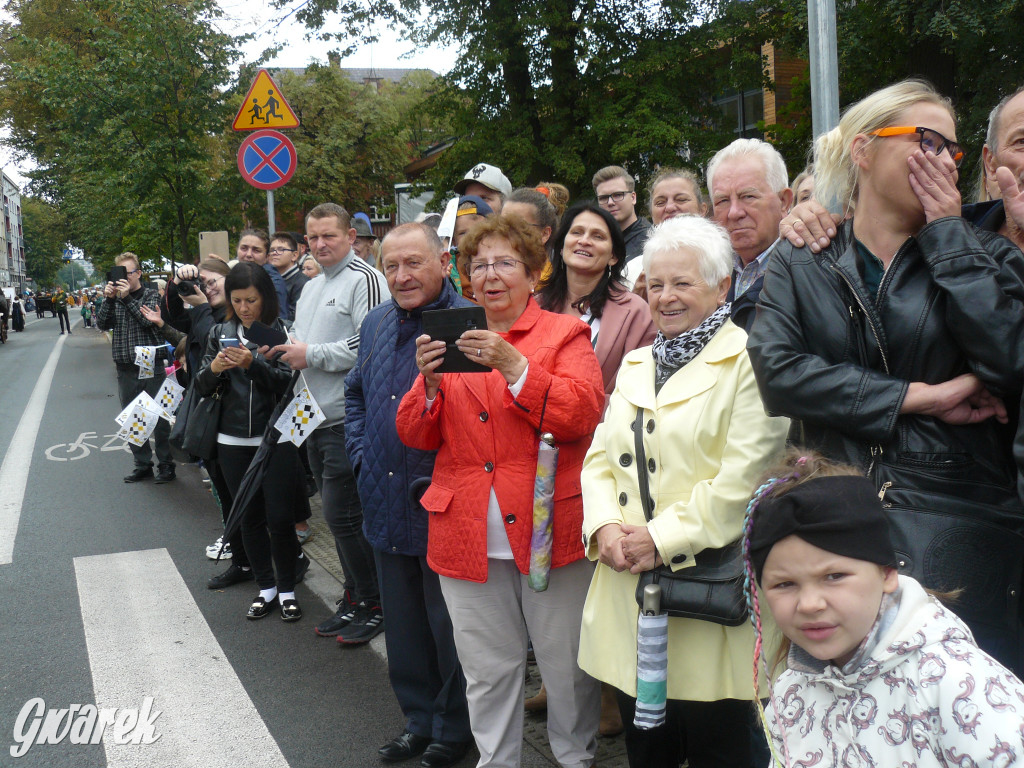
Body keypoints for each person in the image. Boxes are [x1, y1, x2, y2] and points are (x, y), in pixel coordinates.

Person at [747, 80, 1024, 673]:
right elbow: (778, 374)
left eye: (952, 147)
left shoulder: (986, 255)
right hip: (830, 514)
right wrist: (917, 397)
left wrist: (947, 234)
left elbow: (1007, 361)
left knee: (958, 718)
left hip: (952, 521)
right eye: (925, 140)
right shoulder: (804, 253)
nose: (943, 159)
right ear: (864, 150)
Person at [578, 215, 788, 768]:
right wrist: (601, 525)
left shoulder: (753, 361)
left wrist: (658, 537)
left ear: (723, 287)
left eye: (682, 283)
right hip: (630, 593)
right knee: (647, 751)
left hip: (709, 596)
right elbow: (601, 454)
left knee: (723, 750)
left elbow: (746, 480)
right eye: (655, 283)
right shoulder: (637, 361)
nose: (664, 297)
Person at [397, 214, 605, 768]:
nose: (491, 275)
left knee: (566, 669)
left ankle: (574, 759)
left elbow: (581, 414)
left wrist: (517, 367)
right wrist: (431, 386)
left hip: (550, 532)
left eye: (505, 262)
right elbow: (415, 433)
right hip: (466, 535)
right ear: (465, 279)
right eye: (478, 265)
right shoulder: (448, 336)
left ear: (535, 272)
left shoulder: (565, 334)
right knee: (488, 672)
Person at [744, 450, 1024, 768]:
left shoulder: (956, 683)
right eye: (784, 584)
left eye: (834, 576)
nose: (810, 604)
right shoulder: (789, 693)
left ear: (887, 572)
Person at [345, 223, 473, 768]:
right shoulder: (375, 323)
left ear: (443, 261)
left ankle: (455, 729)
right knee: (404, 631)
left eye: (414, 263)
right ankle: (418, 722)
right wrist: (360, 453)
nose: (401, 276)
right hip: (384, 500)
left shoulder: (467, 321)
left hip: (441, 503)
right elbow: (355, 393)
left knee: (450, 633)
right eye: (392, 266)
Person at [270, 202, 389, 645]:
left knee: (345, 515)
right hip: (312, 417)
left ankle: (375, 602)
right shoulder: (312, 287)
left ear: (351, 238)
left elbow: (370, 344)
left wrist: (310, 354)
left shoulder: (366, 280)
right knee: (337, 516)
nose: (320, 244)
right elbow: (303, 343)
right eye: (313, 238)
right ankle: (356, 595)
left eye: (329, 236)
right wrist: (284, 350)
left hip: (346, 419)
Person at [195, 263, 306, 621]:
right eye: (238, 300)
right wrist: (214, 369)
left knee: (280, 517)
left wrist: (250, 364)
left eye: (252, 300)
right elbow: (200, 384)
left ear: (265, 298)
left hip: (274, 437)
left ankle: (287, 589)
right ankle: (266, 587)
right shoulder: (220, 330)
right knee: (249, 517)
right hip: (229, 438)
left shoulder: (275, 332)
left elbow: (286, 383)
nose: (244, 308)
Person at [538, 202, 655, 396]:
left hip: (601, 423)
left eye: (597, 236)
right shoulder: (534, 305)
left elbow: (638, 391)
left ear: (613, 256)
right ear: (561, 247)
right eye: (576, 232)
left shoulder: (637, 314)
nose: (584, 241)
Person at [96, 252, 175, 484]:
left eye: (127, 273)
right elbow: (102, 324)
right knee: (134, 418)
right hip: (125, 366)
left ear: (138, 273)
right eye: (118, 273)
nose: (123, 278)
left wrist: (127, 298)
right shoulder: (115, 298)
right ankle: (142, 464)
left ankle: (167, 464)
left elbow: (146, 321)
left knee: (159, 418)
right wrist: (110, 299)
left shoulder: (151, 294)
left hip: (150, 364)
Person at [707, 138, 793, 333]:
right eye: (722, 201)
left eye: (748, 196)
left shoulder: (812, 268)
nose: (734, 212)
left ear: (784, 202)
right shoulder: (707, 273)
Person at [625, 168, 709, 293]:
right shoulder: (632, 270)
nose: (669, 207)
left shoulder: (725, 259)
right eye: (660, 202)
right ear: (651, 214)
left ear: (702, 210)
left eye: (681, 199)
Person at [593, 165, 650, 261]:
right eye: (603, 198)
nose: (610, 202)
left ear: (633, 198)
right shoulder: (594, 242)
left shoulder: (650, 242)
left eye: (618, 195)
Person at [235, 228, 291, 320]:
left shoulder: (272, 284)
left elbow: (278, 322)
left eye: (256, 250)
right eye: (244, 248)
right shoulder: (235, 275)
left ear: (267, 257)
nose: (249, 254)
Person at [450, 195, 494, 301]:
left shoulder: (500, 260)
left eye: (477, 231)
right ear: (454, 240)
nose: (471, 238)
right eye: (463, 233)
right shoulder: (451, 267)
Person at [268, 232, 310, 313]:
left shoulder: (303, 283)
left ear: (294, 255)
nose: (274, 253)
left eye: (281, 249)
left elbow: (295, 316)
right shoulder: (270, 279)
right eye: (272, 250)